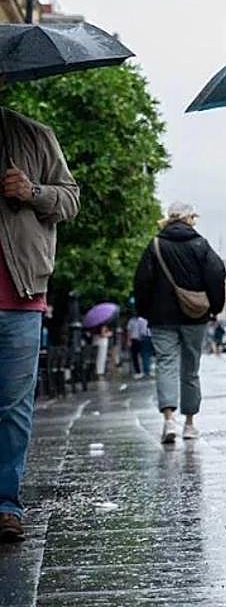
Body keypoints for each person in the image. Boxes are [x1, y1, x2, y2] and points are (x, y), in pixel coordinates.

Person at [0, 104, 79, 543]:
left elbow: (70, 198)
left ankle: (6, 504)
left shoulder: (34, 135)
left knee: (13, 407)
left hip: (19, 293)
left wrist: (32, 192)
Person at [133, 202, 226, 444]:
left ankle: (168, 420)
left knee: (165, 364)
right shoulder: (200, 245)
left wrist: (145, 311)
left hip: (161, 318)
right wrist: (214, 307)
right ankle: (189, 424)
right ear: (189, 219)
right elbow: (217, 274)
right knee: (191, 368)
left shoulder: (155, 245)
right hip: (195, 316)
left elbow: (141, 281)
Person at [127, 312, 153, 379]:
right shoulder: (131, 320)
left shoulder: (141, 320)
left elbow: (142, 331)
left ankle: (146, 370)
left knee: (145, 355)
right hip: (135, 339)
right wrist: (129, 340)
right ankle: (139, 371)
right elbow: (129, 331)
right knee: (135, 356)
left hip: (142, 338)